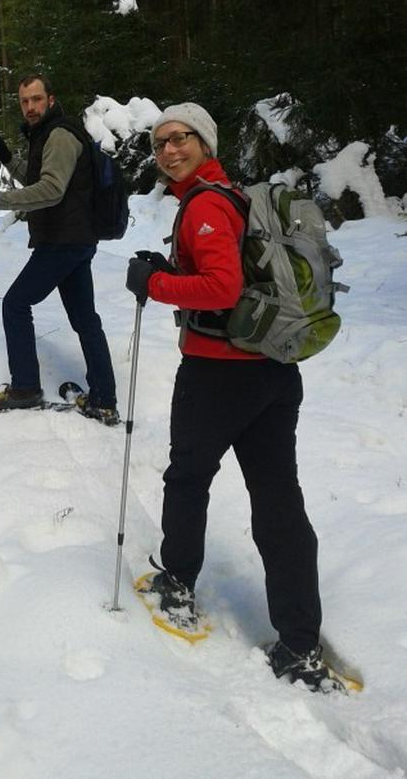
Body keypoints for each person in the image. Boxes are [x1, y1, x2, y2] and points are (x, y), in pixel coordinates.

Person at [125, 102, 343, 693]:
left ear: (206, 142)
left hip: (219, 375)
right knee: (279, 499)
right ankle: (299, 642)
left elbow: (221, 287)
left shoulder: (204, 206)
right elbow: (235, 272)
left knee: (188, 477)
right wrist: (169, 266)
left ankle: (177, 583)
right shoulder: (235, 197)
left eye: (181, 138)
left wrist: (155, 283)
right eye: (161, 141)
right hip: (273, 371)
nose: (169, 149)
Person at [0, 73, 118, 424]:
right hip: (74, 239)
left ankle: (25, 388)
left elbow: (51, 190)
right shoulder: (47, 134)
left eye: (36, 99)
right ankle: (103, 398)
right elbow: (42, 179)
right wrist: (8, 158)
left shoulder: (60, 135)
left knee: (15, 304)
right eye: (24, 101)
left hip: (63, 241)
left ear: (50, 99)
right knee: (85, 319)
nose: (31, 107)